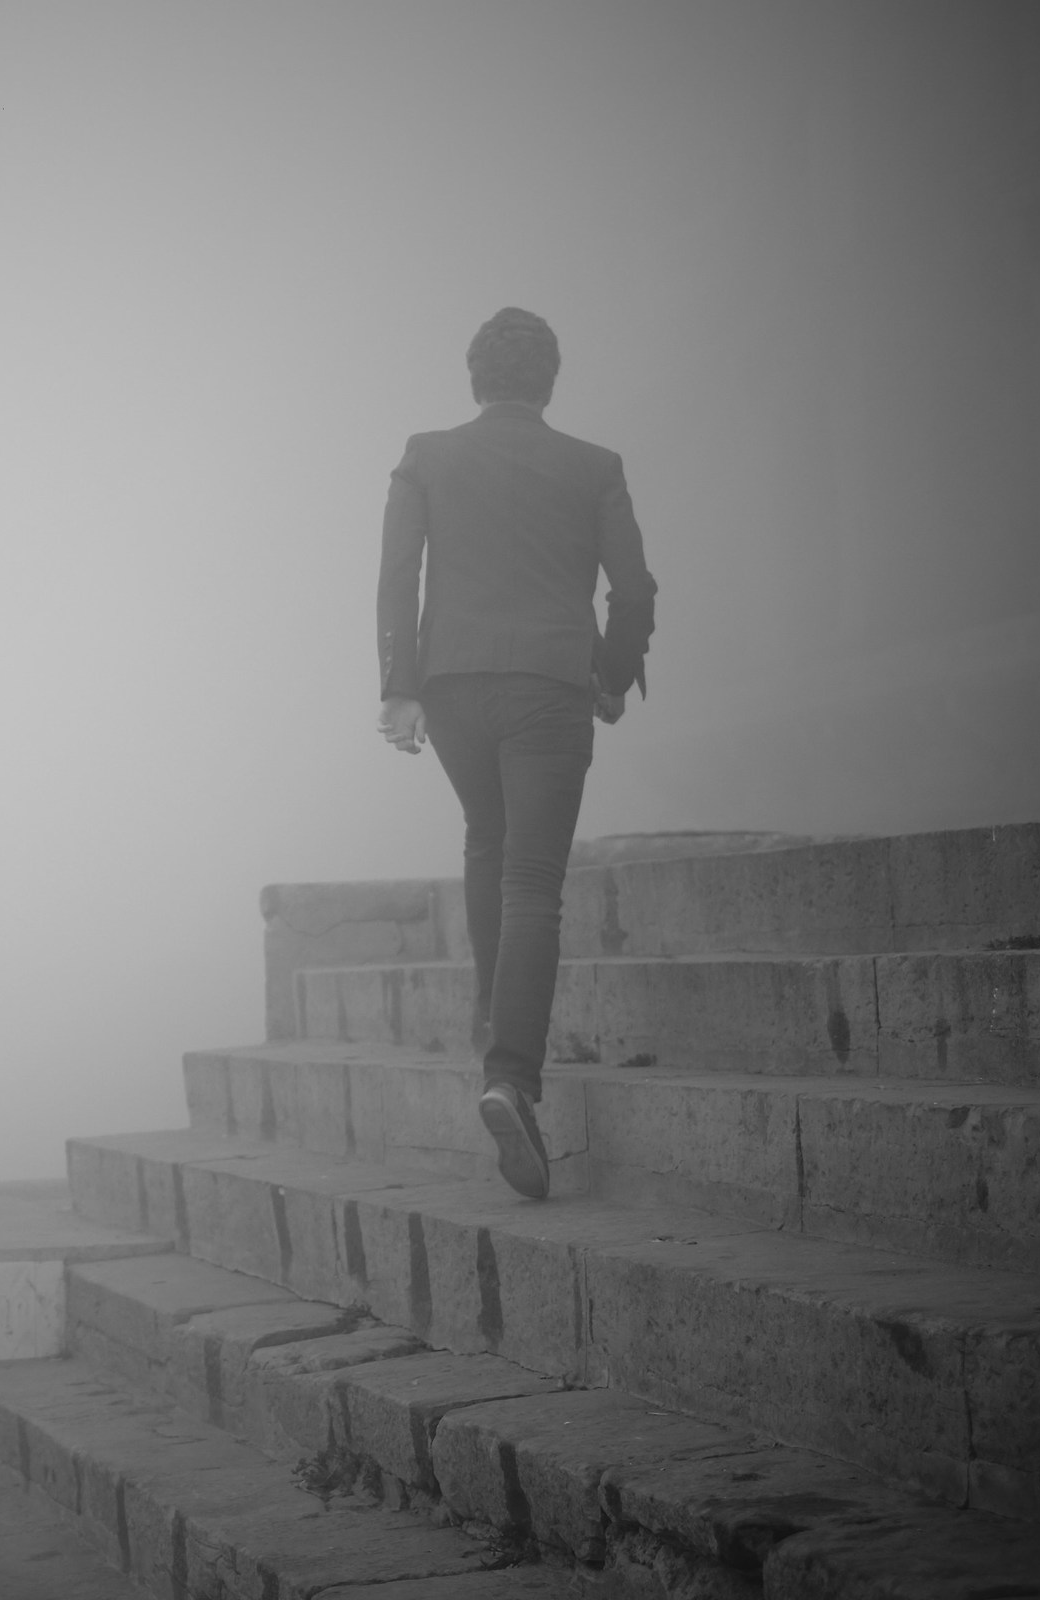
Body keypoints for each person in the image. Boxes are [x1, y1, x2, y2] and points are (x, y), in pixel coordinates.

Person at [374, 307, 657, 1200]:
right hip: (548, 686)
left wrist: (400, 685)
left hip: (453, 684)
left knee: (488, 844)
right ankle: (510, 1077)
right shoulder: (595, 466)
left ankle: (493, 1031)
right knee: (533, 876)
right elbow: (635, 587)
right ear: (549, 382)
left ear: (475, 379)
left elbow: (397, 574)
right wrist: (611, 673)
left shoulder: (425, 454)